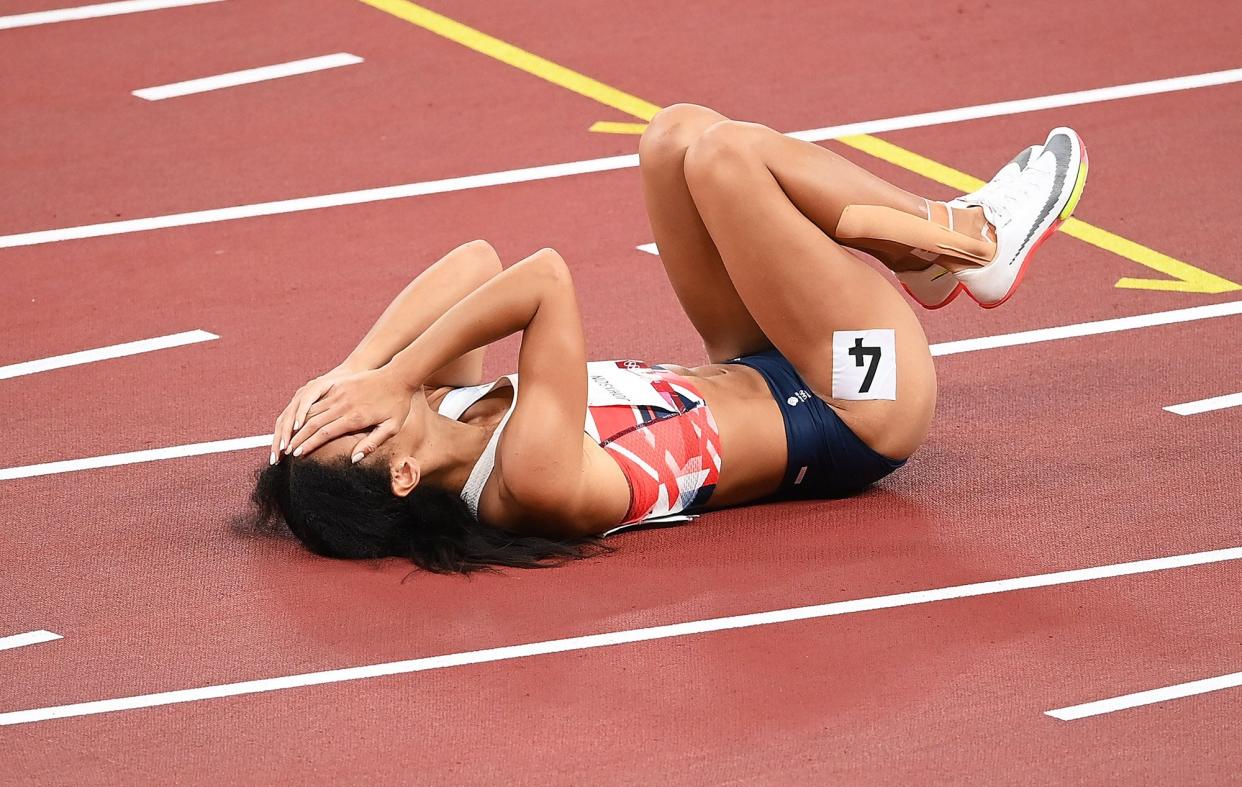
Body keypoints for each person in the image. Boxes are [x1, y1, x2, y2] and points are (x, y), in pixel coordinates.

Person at [250, 104, 1088, 573]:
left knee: (674, 138)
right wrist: (395, 372)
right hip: (851, 409)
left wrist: (354, 368)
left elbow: (474, 262)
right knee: (728, 158)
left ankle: (925, 256)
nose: (351, 405)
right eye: (348, 424)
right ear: (401, 473)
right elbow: (542, 279)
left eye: (328, 411)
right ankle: (973, 241)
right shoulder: (526, 478)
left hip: (754, 361)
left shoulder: (436, 407)